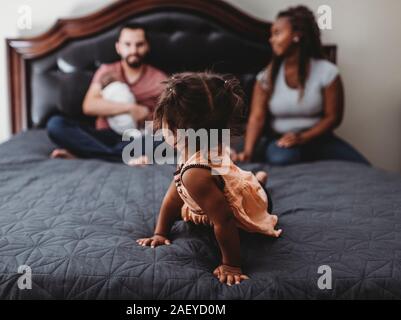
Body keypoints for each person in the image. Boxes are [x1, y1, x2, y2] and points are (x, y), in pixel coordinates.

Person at [136, 72, 282, 286]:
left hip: (252, 204)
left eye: (164, 124)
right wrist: (160, 232)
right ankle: (256, 180)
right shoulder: (199, 149)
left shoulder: (195, 174)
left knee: (256, 191)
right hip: (228, 184)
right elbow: (174, 193)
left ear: (179, 132)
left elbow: (224, 220)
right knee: (240, 180)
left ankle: (258, 183)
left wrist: (231, 264)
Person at [233, 6, 370, 166]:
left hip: (319, 140)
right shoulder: (266, 77)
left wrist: (303, 137)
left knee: (360, 165)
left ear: (297, 35)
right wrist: (248, 152)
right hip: (281, 140)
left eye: (277, 33)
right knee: (282, 158)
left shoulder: (328, 72)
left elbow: (333, 118)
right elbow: (257, 118)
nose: (271, 39)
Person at [46, 22, 167, 163]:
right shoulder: (106, 71)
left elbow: (170, 120)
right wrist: (130, 108)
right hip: (104, 136)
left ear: (147, 47)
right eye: (127, 44)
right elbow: (89, 106)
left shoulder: (160, 79)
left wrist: (147, 116)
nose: (133, 50)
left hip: (137, 137)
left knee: (168, 139)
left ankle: (88, 154)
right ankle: (120, 156)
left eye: (139, 45)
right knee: (56, 125)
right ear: (118, 47)